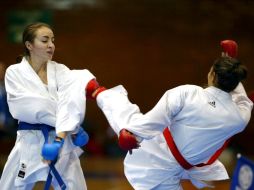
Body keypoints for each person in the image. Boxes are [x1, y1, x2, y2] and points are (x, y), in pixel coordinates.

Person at [94, 40, 253, 189]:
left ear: (212, 75)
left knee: (129, 117)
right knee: (129, 117)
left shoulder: (188, 93)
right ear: (236, 82)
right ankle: (97, 92)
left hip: (156, 158)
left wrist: (133, 134)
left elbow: (156, 119)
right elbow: (243, 99)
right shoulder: (239, 118)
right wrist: (231, 62)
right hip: (175, 162)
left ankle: (96, 91)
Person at [0, 22, 102, 190]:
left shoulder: (61, 71)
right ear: (29, 45)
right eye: (45, 40)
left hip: (60, 141)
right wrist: (72, 126)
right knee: (10, 186)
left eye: (53, 40)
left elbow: (71, 102)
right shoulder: (14, 72)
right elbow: (26, 108)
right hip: (29, 139)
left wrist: (65, 129)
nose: (51, 45)